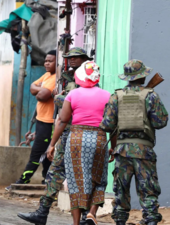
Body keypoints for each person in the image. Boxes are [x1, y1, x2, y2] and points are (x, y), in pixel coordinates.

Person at [17, 47, 92, 225]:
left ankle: (86, 216)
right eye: (70, 58)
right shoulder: (66, 77)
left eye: (77, 58)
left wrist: (59, 98)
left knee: (82, 175)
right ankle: (42, 213)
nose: (72, 60)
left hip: (80, 132)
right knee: (55, 173)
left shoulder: (88, 78)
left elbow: (70, 102)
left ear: (84, 59)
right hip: (66, 131)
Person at [100, 60, 168, 225]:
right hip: (144, 150)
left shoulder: (116, 96)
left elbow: (107, 125)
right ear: (143, 76)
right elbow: (160, 122)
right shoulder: (150, 95)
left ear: (127, 78)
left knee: (121, 189)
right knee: (148, 189)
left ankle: (120, 220)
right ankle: (151, 219)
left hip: (122, 150)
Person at [45, 61, 111, 225]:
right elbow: (112, 124)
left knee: (76, 180)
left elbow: (62, 121)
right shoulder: (107, 95)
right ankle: (91, 214)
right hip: (100, 138)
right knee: (99, 178)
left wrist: (52, 144)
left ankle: (76, 223)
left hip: (77, 138)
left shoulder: (72, 94)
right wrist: (114, 147)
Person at [6, 50, 57, 191]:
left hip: (49, 123)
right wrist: (40, 89)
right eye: (46, 60)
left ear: (57, 63)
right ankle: (46, 180)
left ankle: (23, 181)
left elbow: (42, 96)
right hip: (41, 121)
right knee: (45, 153)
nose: (46, 63)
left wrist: (40, 90)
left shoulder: (56, 79)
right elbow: (32, 88)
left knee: (38, 152)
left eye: (50, 61)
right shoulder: (47, 75)